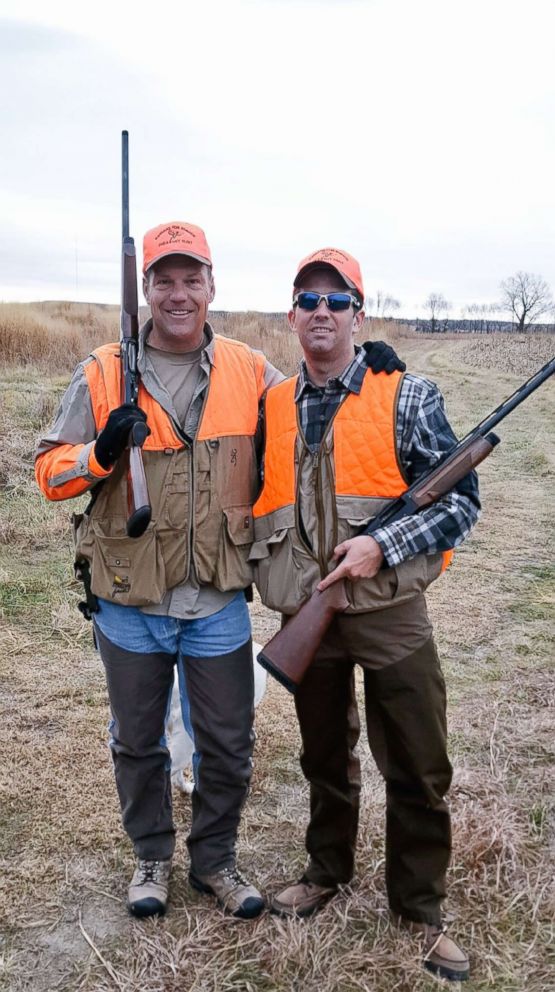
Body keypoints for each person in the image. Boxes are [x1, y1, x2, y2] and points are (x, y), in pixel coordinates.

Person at [35, 225, 402, 921]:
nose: (178, 294)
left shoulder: (248, 369)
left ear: (212, 286)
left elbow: (312, 409)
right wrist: (99, 451)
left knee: (228, 744)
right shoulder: (104, 371)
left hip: (216, 601)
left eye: (190, 278)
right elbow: (48, 473)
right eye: (163, 280)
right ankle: (150, 856)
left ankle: (215, 861)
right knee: (137, 742)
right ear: (145, 290)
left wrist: (370, 368)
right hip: (128, 600)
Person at [250, 247, 480, 981]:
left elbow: (460, 503)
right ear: (291, 315)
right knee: (323, 756)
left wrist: (381, 544)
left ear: (358, 314)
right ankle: (325, 871)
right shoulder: (268, 403)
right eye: (307, 300)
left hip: (388, 611)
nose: (321, 313)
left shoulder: (407, 395)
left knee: (416, 762)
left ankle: (418, 908)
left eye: (336, 301)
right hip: (305, 609)